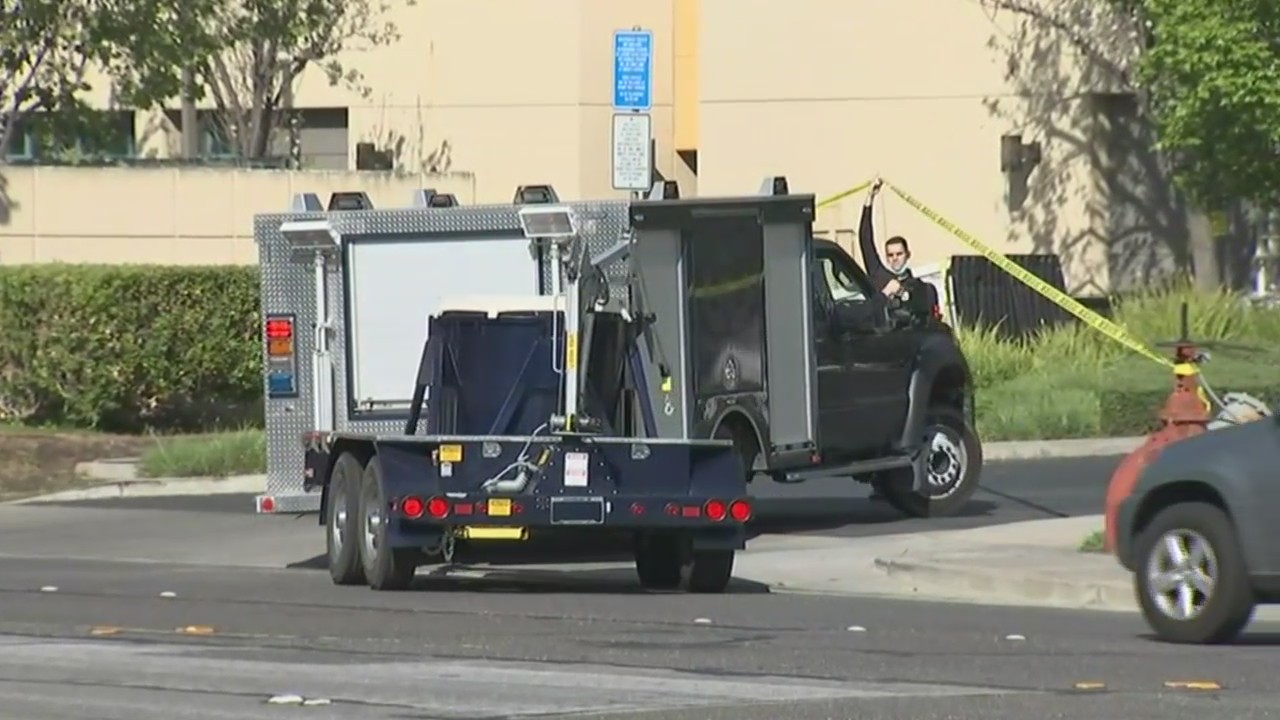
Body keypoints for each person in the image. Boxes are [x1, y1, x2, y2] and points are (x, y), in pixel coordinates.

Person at [859, 178, 939, 317]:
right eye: (890, 255)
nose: (895, 258)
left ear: (908, 255)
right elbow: (865, 239)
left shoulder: (919, 287)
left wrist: (902, 292)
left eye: (899, 254)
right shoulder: (880, 275)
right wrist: (869, 199)